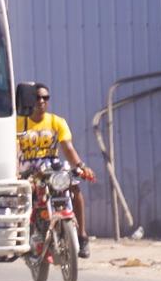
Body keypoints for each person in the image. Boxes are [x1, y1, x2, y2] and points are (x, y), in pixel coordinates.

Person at [14, 84, 98, 249]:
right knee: (24, 198)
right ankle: (24, 235)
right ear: (31, 100)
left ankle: (82, 236)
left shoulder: (56, 122)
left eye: (45, 98)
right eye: (37, 97)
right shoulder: (19, 123)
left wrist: (81, 166)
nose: (41, 101)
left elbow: (68, 147)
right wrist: (16, 172)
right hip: (28, 168)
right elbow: (14, 149)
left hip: (52, 166)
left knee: (74, 186)